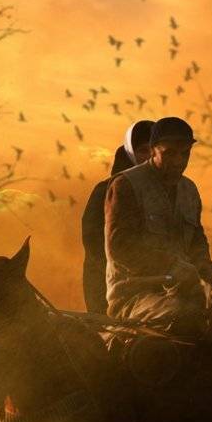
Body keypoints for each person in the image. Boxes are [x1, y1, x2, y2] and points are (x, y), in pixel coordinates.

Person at [104, 116, 212, 354]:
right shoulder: (126, 185)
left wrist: (205, 274)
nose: (178, 161)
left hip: (186, 298)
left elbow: (198, 243)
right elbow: (120, 248)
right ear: (152, 150)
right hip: (134, 298)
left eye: (185, 154)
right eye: (169, 153)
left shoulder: (189, 191)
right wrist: (172, 267)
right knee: (189, 320)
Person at [80, 120, 153, 313]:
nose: (149, 158)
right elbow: (96, 247)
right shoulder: (105, 191)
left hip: (160, 292)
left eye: (156, 151)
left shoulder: (170, 194)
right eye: (144, 151)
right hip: (112, 293)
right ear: (130, 152)